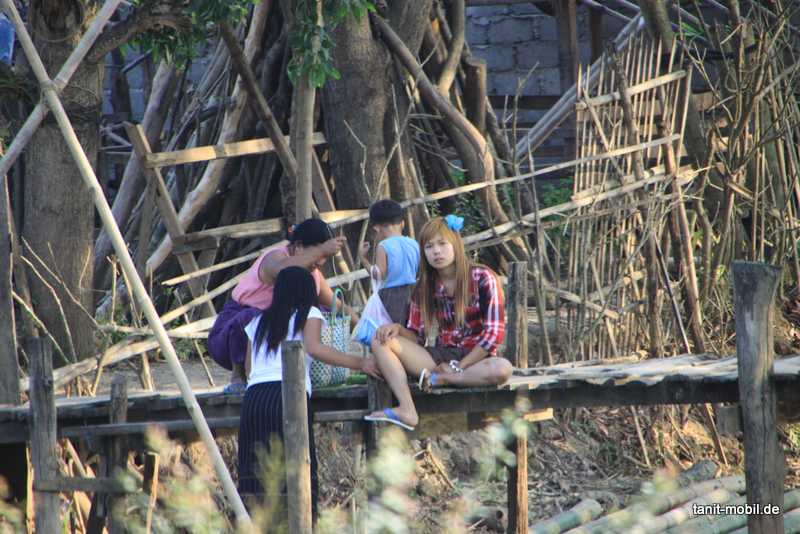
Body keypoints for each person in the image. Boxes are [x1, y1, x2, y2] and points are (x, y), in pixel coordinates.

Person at [237, 266, 381, 516]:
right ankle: (302, 522)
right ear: (307, 291)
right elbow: (315, 348)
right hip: (287, 396)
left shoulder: (258, 321)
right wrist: (360, 363)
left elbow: (249, 369)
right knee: (297, 469)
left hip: (254, 399)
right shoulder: (310, 313)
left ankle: (257, 525)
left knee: (255, 471)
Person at [364, 215, 513, 430]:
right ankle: (407, 409)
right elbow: (417, 337)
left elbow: (493, 336)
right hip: (439, 358)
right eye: (429, 246)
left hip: (477, 359)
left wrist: (457, 369)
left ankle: (443, 380)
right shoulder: (424, 286)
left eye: (442, 244)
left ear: (455, 244)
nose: (436, 251)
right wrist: (397, 329)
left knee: (503, 369)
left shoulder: (483, 277)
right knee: (379, 341)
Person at [208, 218, 357, 393]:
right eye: (319, 254)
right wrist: (322, 250)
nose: (320, 262)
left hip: (276, 336)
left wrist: (362, 327)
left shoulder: (313, 271)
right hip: (231, 336)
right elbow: (283, 270)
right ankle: (238, 376)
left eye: (324, 257)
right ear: (298, 246)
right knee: (252, 318)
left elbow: (335, 305)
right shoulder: (274, 257)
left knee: (318, 312)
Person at [353, 199, 420, 344]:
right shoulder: (414, 243)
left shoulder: (383, 246)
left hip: (391, 295)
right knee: (408, 329)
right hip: (413, 291)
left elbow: (378, 274)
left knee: (389, 334)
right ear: (402, 223)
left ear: (377, 228)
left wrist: (363, 259)